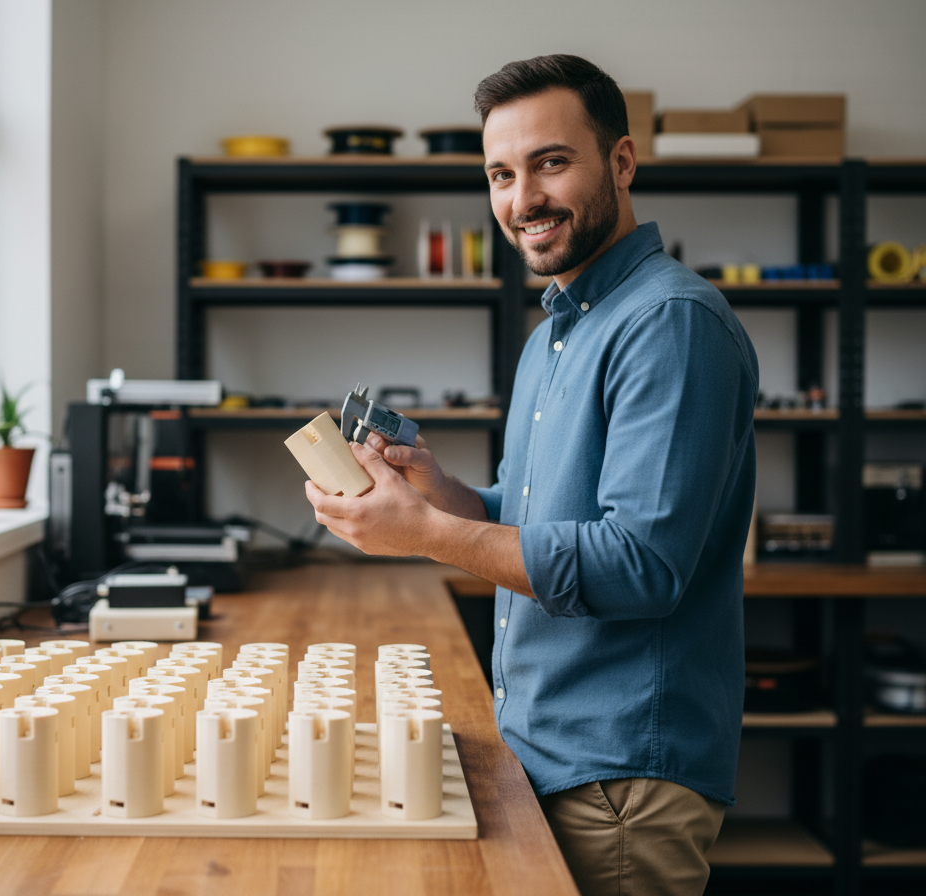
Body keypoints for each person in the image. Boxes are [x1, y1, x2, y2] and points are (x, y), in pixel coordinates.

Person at [305, 54, 758, 896]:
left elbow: (641, 566)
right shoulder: (557, 330)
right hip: (548, 750)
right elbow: (522, 516)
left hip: (619, 776)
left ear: (621, 163)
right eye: (501, 174)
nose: (523, 200)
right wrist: (431, 487)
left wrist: (427, 535)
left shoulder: (669, 323)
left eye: (551, 163)